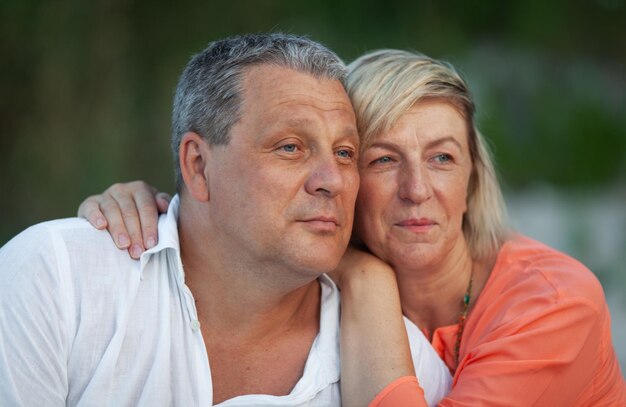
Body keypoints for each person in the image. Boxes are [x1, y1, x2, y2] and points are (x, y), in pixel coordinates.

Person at [82, 48, 626, 406]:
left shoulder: (554, 305)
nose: (417, 189)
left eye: (442, 159)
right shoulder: (308, 292)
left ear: (473, 181)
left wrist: (365, 279)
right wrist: (160, 208)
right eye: (383, 160)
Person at [0, 35, 452, 406]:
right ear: (198, 165)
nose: (332, 180)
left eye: (345, 153)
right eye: (290, 147)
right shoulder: (59, 282)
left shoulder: (403, 366)